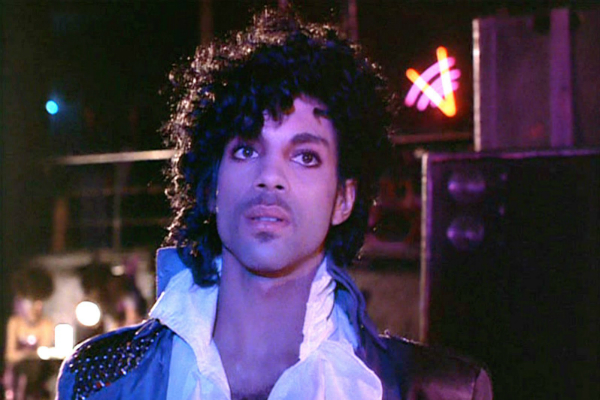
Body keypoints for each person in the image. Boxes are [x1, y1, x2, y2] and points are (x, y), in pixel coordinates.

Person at [56, 9, 492, 400]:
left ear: (344, 199)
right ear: (210, 187)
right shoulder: (100, 381)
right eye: (246, 149)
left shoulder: (443, 391)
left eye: (306, 157)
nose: (270, 175)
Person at [5, 267, 55, 400]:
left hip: (37, 379)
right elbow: (10, 355)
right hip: (16, 378)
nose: (37, 307)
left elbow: (43, 353)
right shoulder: (15, 322)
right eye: (33, 302)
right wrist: (27, 355)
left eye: (39, 302)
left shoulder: (46, 324)